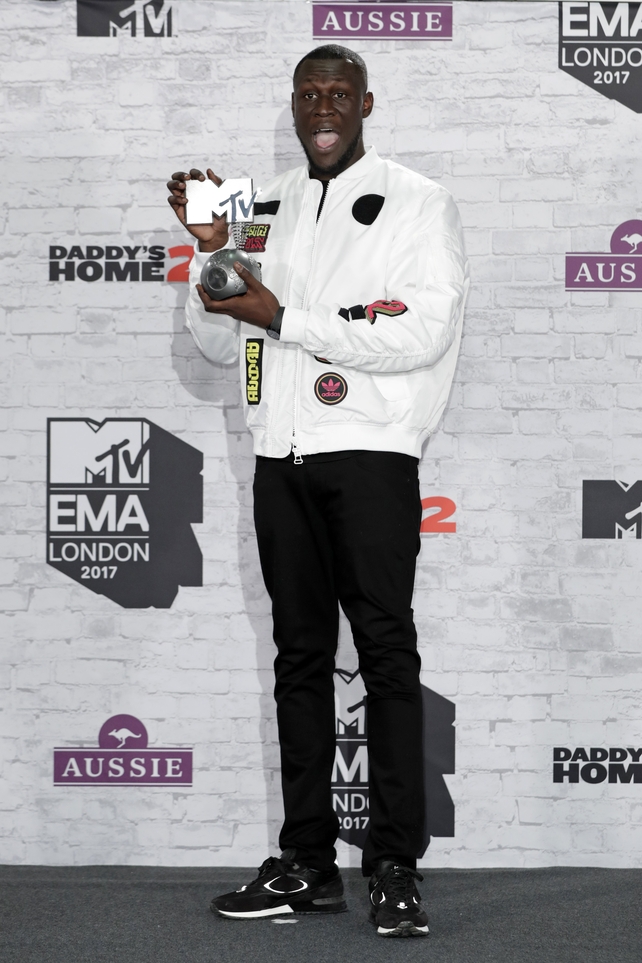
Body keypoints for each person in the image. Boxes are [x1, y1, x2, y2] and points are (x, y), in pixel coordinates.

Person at [167, 44, 468, 938]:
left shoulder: (419, 200)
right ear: (294, 107)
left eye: (338, 93)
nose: (323, 108)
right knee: (298, 659)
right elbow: (222, 344)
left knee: (386, 656)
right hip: (279, 459)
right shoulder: (264, 208)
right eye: (309, 95)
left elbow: (421, 330)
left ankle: (394, 864)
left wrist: (286, 317)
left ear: (366, 103)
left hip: (371, 457)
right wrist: (215, 255)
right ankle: (306, 860)